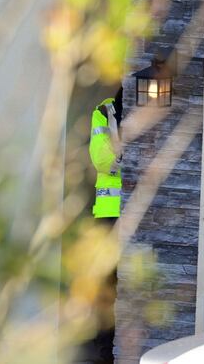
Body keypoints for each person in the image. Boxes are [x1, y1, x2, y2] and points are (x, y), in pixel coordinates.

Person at [85, 87, 123, 364]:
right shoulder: (104, 111)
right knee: (106, 290)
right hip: (108, 216)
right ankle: (103, 355)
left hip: (140, 217)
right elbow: (103, 160)